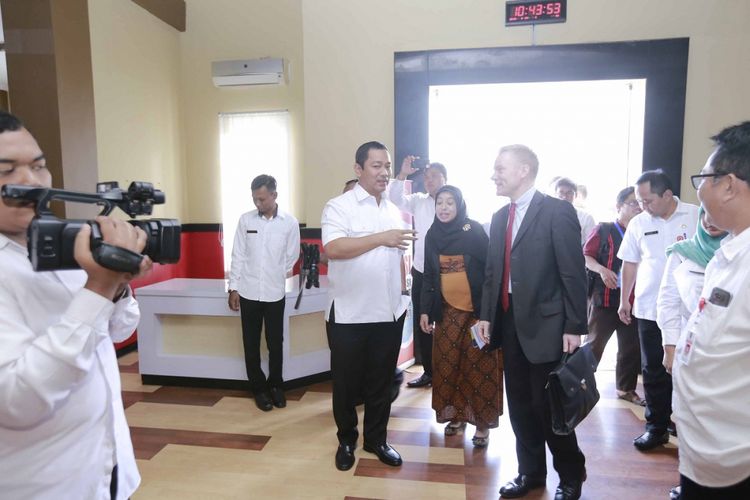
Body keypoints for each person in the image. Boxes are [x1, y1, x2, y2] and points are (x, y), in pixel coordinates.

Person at [0, 111, 150, 499]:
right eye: (7, 169)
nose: (31, 181)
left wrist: (116, 286)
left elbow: (118, 331)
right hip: (45, 484)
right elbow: (19, 401)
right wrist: (99, 287)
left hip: (107, 465)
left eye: (38, 166)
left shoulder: (61, 242)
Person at [477, 145, 587, 500]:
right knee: (520, 405)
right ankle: (531, 474)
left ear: (524, 170)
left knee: (549, 407)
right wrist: (485, 316)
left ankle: (571, 475)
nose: (494, 174)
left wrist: (575, 326)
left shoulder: (557, 211)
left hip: (549, 327)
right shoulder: (498, 217)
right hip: (508, 324)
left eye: (500, 167)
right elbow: (493, 273)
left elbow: (573, 272)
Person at [321, 141, 416, 471]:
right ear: (359, 169)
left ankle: (376, 439)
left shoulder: (392, 210)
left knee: (381, 383)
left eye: (387, 165)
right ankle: (347, 439)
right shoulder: (339, 206)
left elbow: (400, 259)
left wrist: (404, 299)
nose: (384, 172)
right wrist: (381, 238)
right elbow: (333, 248)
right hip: (349, 313)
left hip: (388, 312)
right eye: (376, 165)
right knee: (346, 386)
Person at [672, 122, 750, 499]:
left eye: (703, 178)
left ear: (729, 184)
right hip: (706, 454)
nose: (699, 189)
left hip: (736, 465)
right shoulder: (730, 252)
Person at [617, 169, 699, 451]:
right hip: (649, 308)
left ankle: (683, 424)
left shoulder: (696, 215)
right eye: (639, 201)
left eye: (648, 200)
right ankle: (656, 427)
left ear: (667, 195)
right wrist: (624, 299)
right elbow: (629, 262)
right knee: (652, 370)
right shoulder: (639, 223)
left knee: (683, 370)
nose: (642, 206)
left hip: (687, 310)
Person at [419, 185, 501, 448]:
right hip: (446, 314)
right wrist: (424, 309)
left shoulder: (474, 231)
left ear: (460, 205)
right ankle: (456, 415)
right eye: (439, 203)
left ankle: (481, 423)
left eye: (450, 203)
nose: (443, 208)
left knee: (479, 369)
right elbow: (430, 276)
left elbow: (490, 273)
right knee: (448, 366)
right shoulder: (432, 234)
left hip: (477, 314)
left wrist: (488, 312)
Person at [656, 207, 727, 500]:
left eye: (717, 214)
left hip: (728, 353)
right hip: (690, 347)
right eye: (704, 215)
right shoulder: (683, 251)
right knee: (687, 420)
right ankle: (690, 482)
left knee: (722, 423)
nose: (709, 221)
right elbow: (668, 301)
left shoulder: (738, 254)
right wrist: (669, 347)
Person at [228, 174, 300, 412]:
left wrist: (276, 272)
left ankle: (276, 386)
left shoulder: (289, 223)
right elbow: (238, 254)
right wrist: (234, 287)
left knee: (275, 343)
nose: (257, 204)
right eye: (254, 199)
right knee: (250, 343)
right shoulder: (245, 220)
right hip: (248, 291)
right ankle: (258, 389)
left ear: (274, 195)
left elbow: (292, 256)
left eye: (261, 199)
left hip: (274, 293)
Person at [389, 157, 447, 388]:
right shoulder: (419, 201)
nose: (428, 180)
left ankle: (447, 371)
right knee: (424, 322)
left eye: (434, 176)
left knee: (448, 323)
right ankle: (430, 372)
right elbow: (394, 198)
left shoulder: (451, 201)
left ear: (445, 178)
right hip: (422, 271)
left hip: (448, 272)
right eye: (426, 176)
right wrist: (402, 174)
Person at [583, 186, 644, 405]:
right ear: (619, 206)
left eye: (640, 203)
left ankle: (625, 389)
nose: (638, 207)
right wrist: (601, 269)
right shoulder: (604, 229)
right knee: (594, 344)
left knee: (631, 347)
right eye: (632, 203)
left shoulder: (644, 230)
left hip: (635, 300)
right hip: (606, 298)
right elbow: (587, 256)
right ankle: (580, 384)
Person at [553, 177, 596, 245]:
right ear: (555, 194)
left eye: (569, 193)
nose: (564, 197)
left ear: (575, 195)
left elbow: (591, 246)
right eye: (561, 192)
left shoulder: (586, 218)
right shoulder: (547, 216)